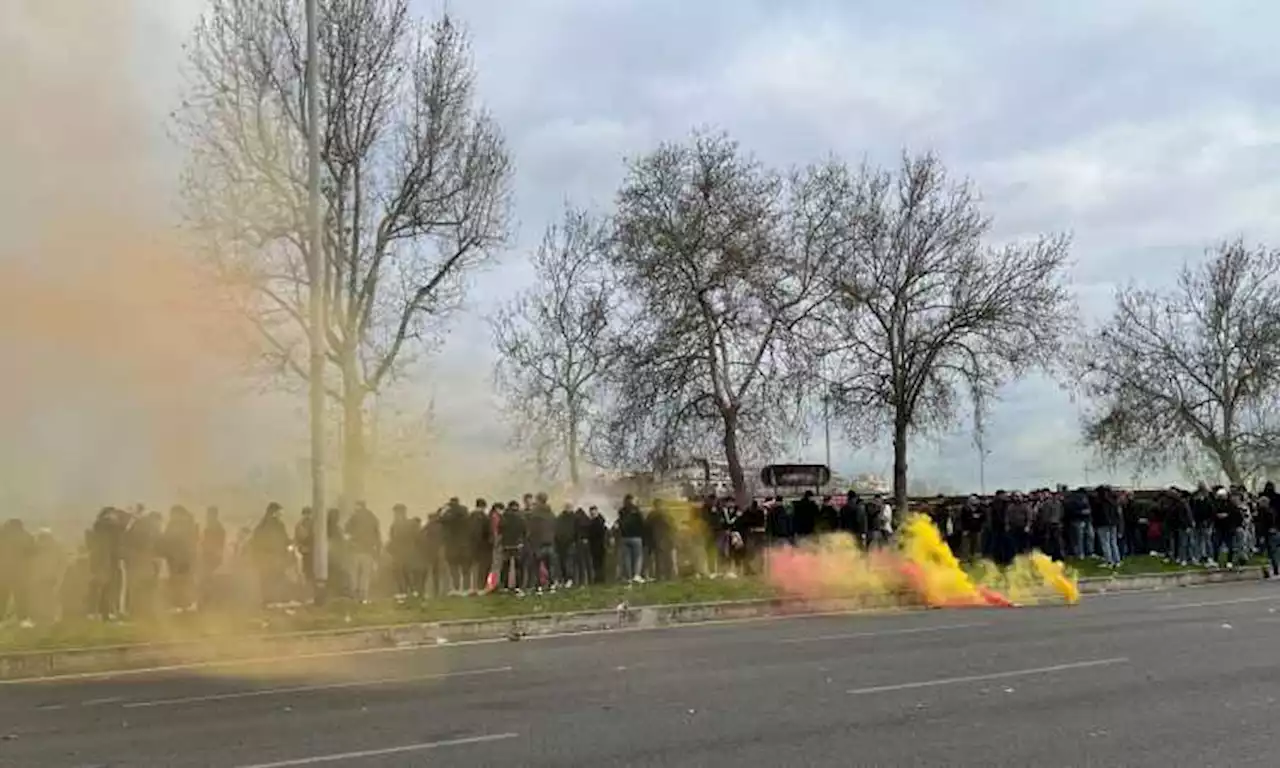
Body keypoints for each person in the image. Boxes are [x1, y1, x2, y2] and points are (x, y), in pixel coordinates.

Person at [345, 501, 382, 603]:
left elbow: (346, 531)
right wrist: (378, 551)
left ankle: (354, 594)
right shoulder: (372, 518)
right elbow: (377, 535)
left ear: (359, 506)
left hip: (355, 550)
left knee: (354, 574)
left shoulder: (354, 517)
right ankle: (363, 595)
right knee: (365, 575)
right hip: (368, 551)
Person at [617, 495, 646, 583]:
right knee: (638, 557)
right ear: (632, 500)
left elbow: (620, 523)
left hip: (624, 537)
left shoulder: (622, 511)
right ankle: (636, 575)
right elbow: (642, 523)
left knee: (627, 558)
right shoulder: (637, 511)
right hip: (636, 537)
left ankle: (628, 577)